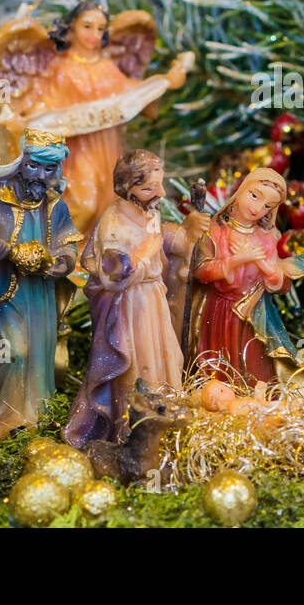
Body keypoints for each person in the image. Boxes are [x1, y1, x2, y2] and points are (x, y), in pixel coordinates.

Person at [0, 2, 193, 232]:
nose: (95, 35)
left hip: (106, 145)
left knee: (109, 202)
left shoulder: (106, 66)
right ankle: (65, 248)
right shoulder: (60, 68)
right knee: (85, 202)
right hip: (75, 149)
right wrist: (22, 120)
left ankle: (95, 250)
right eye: (87, 26)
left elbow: (129, 94)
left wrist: (164, 82)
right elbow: (45, 103)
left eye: (100, 29)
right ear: (70, 28)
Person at [64, 150, 209, 445]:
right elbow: (113, 275)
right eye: (148, 188)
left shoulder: (149, 212)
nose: (160, 192)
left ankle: (167, 421)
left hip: (152, 298)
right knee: (138, 364)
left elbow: (170, 244)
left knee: (166, 356)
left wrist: (189, 232)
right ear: (127, 189)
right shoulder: (113, 222)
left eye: (160, 184)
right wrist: (145, 255)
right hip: (129, 306)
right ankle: (134, 430)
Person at [0, 129, 82, 438]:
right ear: (21, 161)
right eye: (34, 165)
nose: (40, 175)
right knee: (13, 352)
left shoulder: (54, 204)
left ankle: (37, 416)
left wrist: (62, 262)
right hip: (7, 293)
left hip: (41, 295)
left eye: (49, 168)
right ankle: (4, 419)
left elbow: (68, 242)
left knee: (39, 353)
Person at [186, 168, 304, 386]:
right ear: (241, 191)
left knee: (255, 365)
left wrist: (259, 262)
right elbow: (201, 271)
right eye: (254, 195)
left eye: (267, 206)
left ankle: (256, 403)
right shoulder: (216, 232)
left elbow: (278, 283)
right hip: (220, 311)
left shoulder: (268, 238)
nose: (257, 208)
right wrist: (238, 259)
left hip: (256, 314)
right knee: (220, 366)